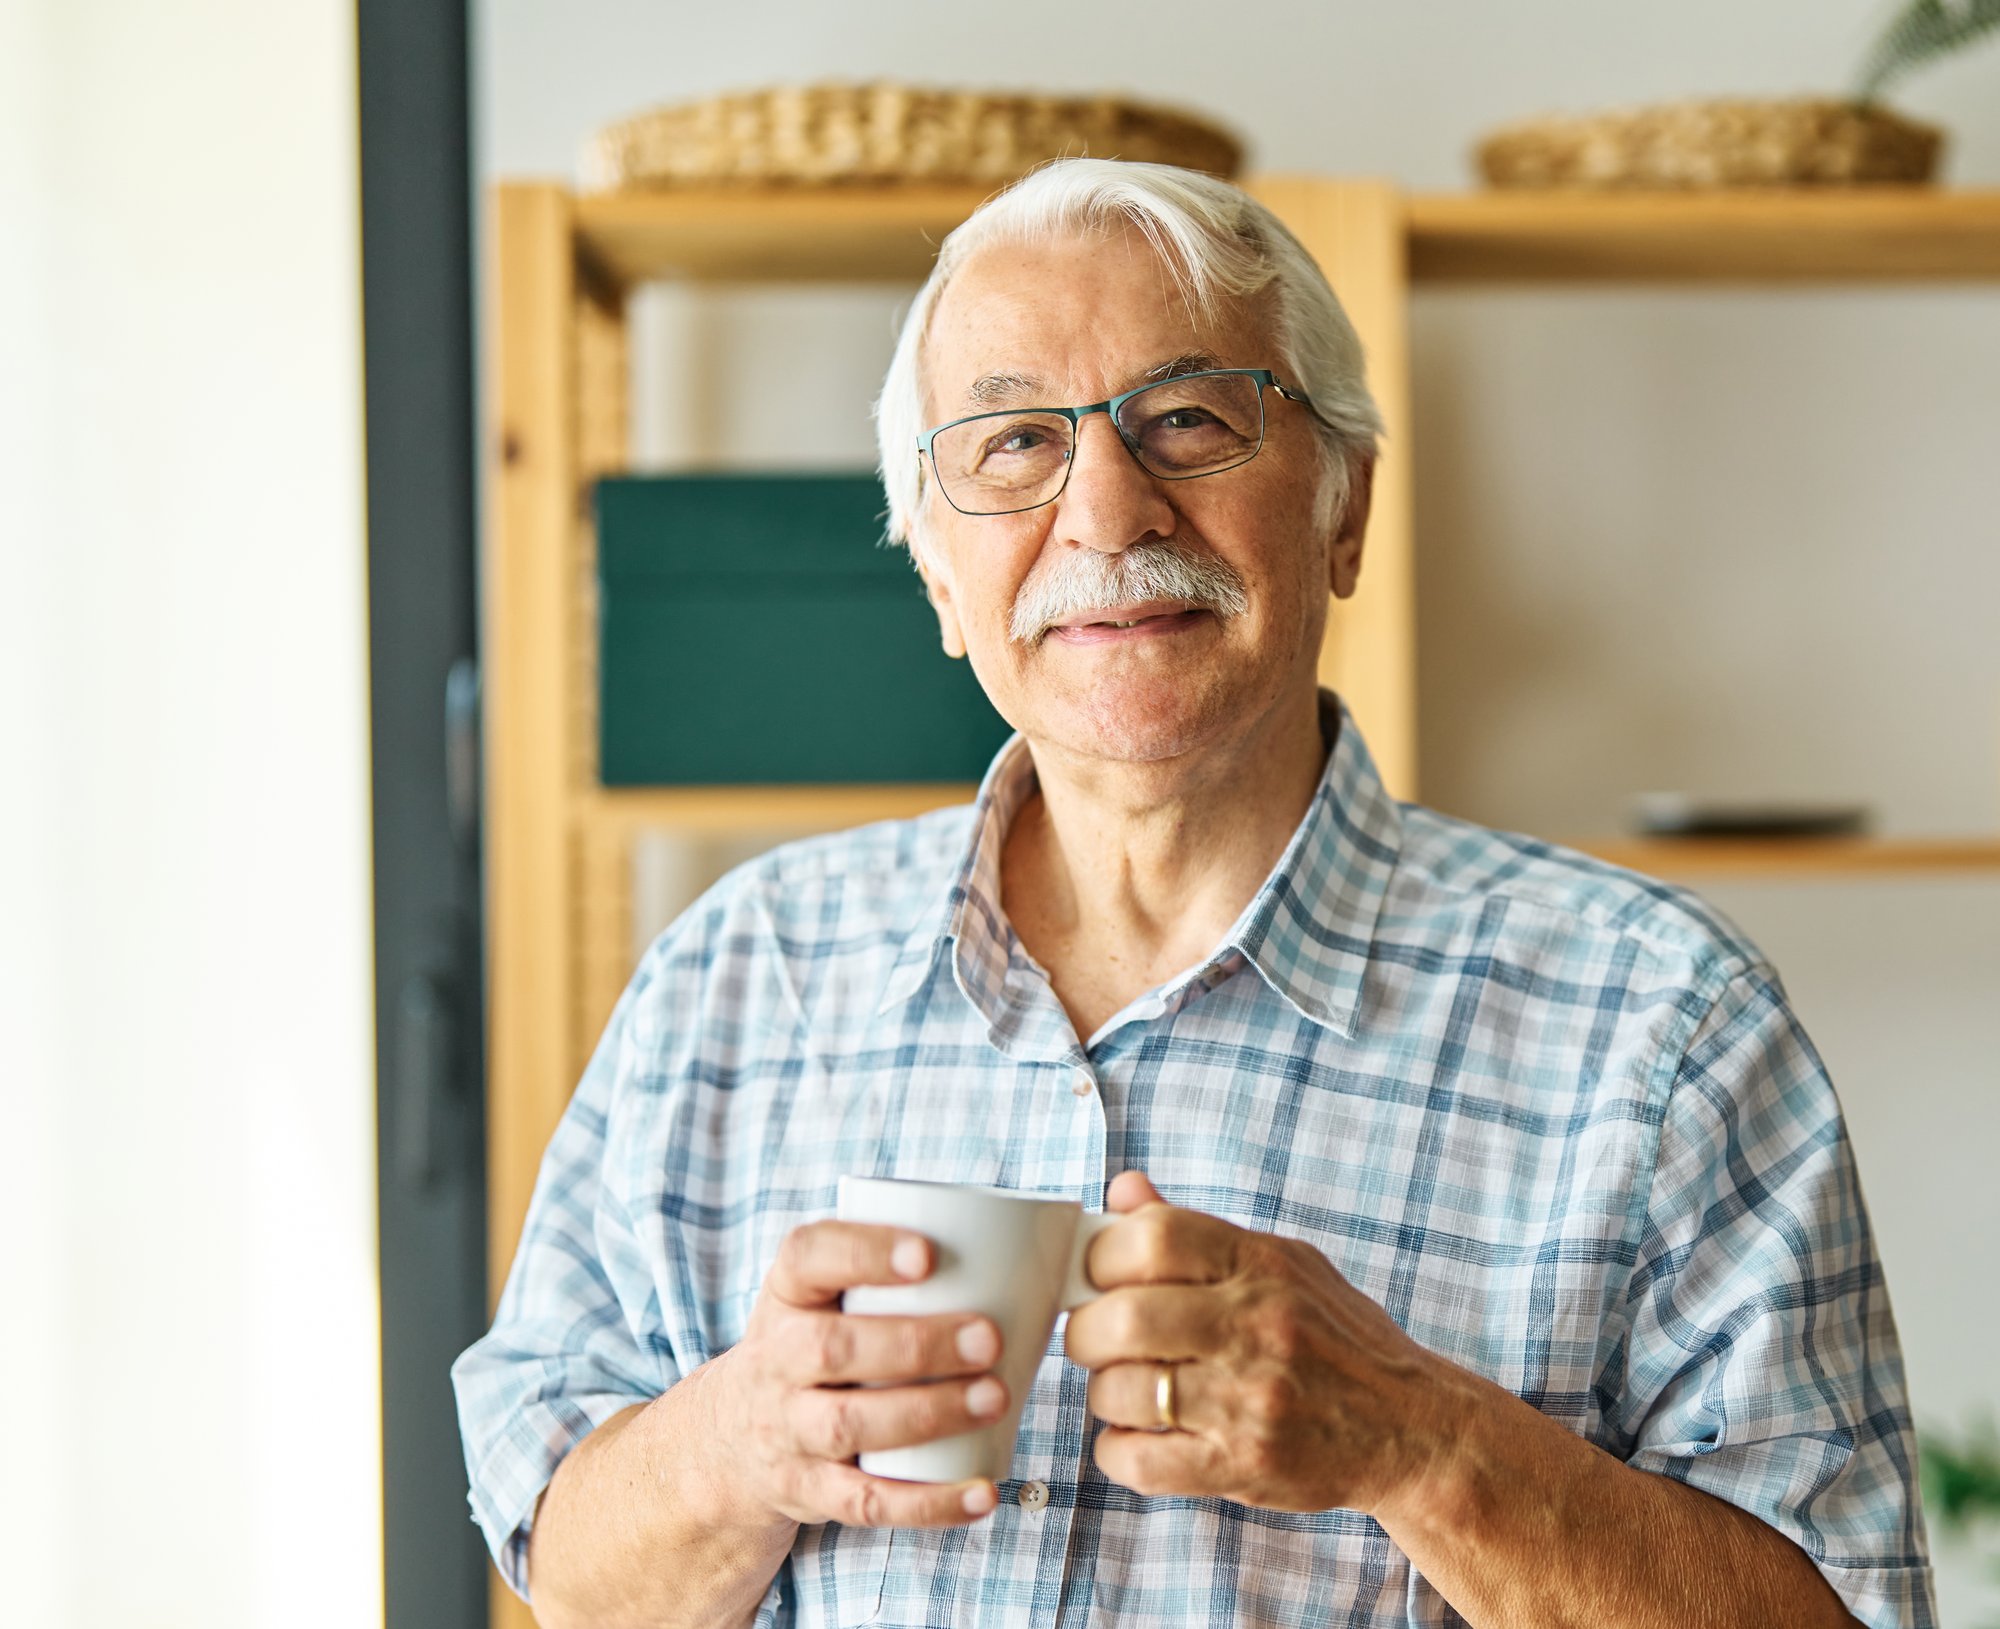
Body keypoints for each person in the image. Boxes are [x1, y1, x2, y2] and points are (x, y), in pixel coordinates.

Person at [453, 158, 1935, 1628]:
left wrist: (1420, 1437)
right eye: (1015, 443)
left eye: (1184, 419)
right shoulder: (736, 973)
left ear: (1342, 511)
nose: (1106, 511)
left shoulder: (1668, 1025)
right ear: (938, 583)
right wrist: (741, 1440)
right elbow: (568, 1564)